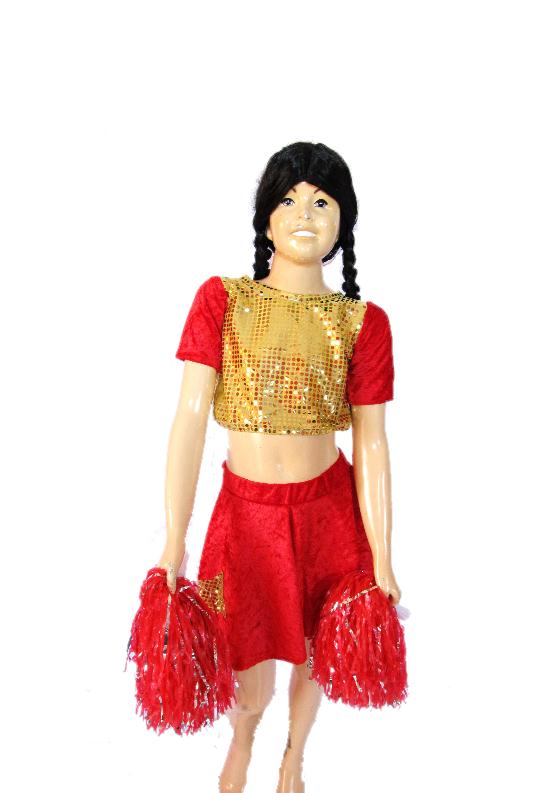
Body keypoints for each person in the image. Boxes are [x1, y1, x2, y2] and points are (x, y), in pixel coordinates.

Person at [158, 141, 402, 793]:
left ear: (343, 222)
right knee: (247, 661)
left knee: (317, 647)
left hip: (328, 511)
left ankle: (294, 752)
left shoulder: (362, 322)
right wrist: (174, 539)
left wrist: (381, 555)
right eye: (289, 199)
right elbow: (188, 418)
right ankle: (244, 736)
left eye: (322, 202)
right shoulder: (222, 300)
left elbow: (373, 441)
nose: (304, 214)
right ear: (265, 217)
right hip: (245, 515)